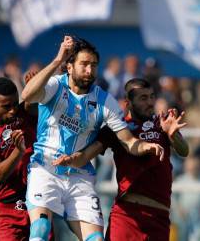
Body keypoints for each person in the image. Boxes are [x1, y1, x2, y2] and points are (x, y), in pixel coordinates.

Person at [21, 36, 165, 241]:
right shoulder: (55, 86)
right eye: (84, 64)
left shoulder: (104, 101)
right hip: (45, 168)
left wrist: (145, 146)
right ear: (69, 67)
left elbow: (129, 141)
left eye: (94, 65)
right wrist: (57, 60)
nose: (89, 71)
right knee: (41, 229)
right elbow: (27, 95)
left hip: (79, 175)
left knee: (96, 239)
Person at [53, 78, 189, 241]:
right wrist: (70, 159)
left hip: (158, 218)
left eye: (152, 97)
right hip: (126, 216)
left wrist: (173, 135)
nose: (150, 102)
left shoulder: (162, 123)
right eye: (143, 98)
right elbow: (85, 156)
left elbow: (184, 151)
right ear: (128, 102)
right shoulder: (117, 128)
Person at [0, 76, 51, 241]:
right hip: (7, 209)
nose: (13, 110)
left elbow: (32, 100)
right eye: (6, 106)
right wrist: (18, 151)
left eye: (15, 103)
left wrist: (34, 84)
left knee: (41, 233)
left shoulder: (25, 114)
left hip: (37, 199)